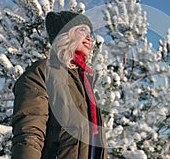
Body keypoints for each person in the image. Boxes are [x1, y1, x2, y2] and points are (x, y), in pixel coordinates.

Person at [11, 11, 108, 159]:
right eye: (82, 30)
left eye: (91, 33)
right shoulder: (43, 72)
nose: (89, 37)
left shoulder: (85, 83)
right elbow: (30, 133)